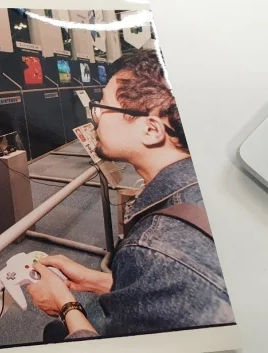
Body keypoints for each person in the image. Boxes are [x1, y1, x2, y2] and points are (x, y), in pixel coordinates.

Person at [27, 49, 235, 340]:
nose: (95, 117)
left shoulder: (156, 247)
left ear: (151, 130)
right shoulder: (207, 186)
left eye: (104, 107)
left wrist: (66, 306)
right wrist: (97, 280)